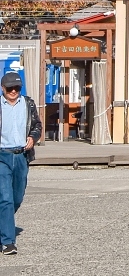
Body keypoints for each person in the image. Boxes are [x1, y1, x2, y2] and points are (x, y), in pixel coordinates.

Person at [0, 72, 41, 255]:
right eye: (10, 88)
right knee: (5, 199)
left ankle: (3, 225)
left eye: (17, 88)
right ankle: (8, 242)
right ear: (3, 88)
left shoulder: (28, 104)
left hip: (22, 155)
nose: (13, 91)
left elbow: (37, 125)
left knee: (17, 198)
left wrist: (33, 137)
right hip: (2, 156)